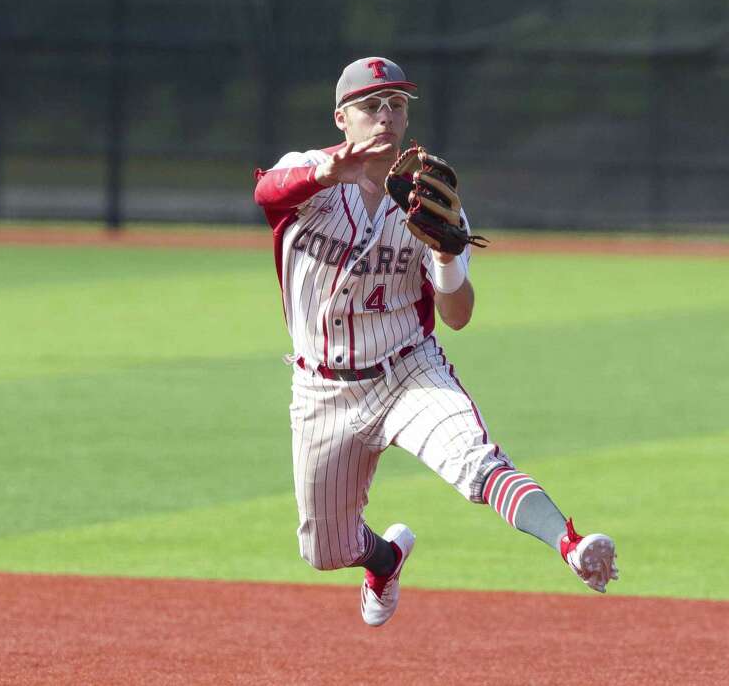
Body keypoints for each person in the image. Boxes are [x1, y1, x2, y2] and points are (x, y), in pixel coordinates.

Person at [253, 56, 618, 627]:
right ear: (341, 118)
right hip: (323, 389)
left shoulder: (427, 198)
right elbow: (267, 192)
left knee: (475, 463)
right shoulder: (307, 176)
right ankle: (385, 558)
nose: (385, 116)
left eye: (396, 105)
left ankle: (570, 544)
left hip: (407, 373)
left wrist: (448, 256)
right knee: (323, 551)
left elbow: (459, 315)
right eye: (370, 106)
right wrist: (329, 170)